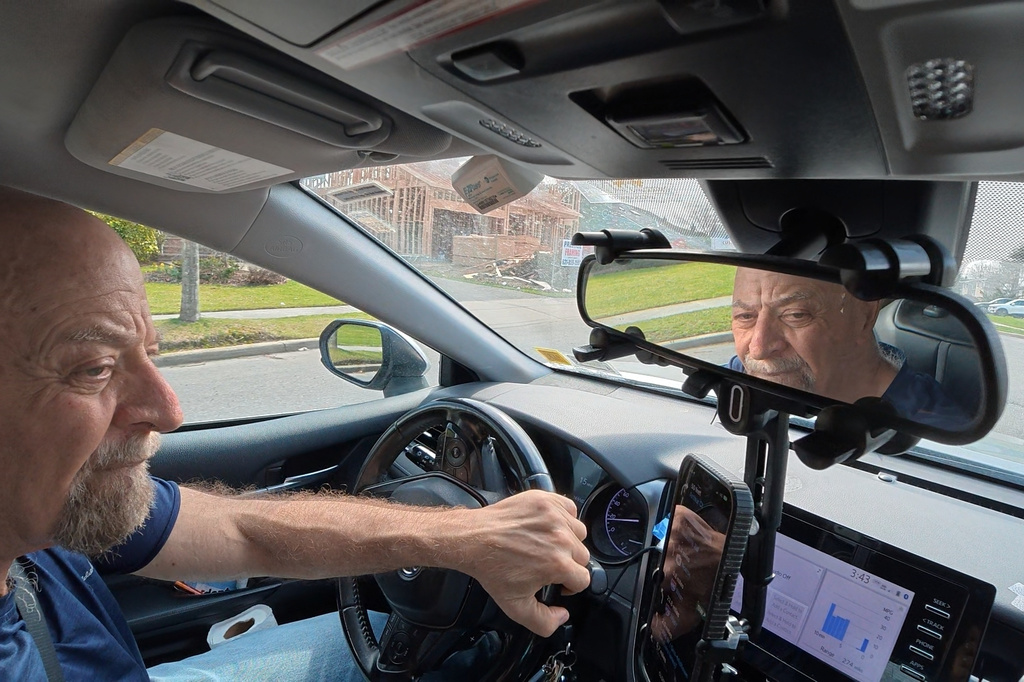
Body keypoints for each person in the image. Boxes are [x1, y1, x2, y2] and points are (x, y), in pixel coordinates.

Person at [0, 187, 591, 680]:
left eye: (150, 357)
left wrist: (465, 536)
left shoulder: (50, 503)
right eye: (94, 369)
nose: (167, 410)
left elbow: (244, 531)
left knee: (384, 633)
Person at [728, 267, 969, 427]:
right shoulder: (736, 374)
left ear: (863, 316)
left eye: (795, 315)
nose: (758, 349)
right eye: (745, 316)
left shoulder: (933, 428)